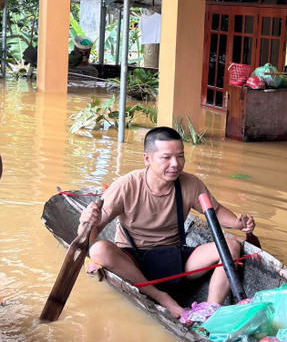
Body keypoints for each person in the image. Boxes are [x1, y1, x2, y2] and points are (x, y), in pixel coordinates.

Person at [79, 126, 255, 319]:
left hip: (173, 258)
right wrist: (86, 222)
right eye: (166, 157)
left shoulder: (191, 184)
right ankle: (161, 297)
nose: (176, 164)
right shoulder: (125, 186)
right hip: (132, 262)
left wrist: (238, 223)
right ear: (147, 159)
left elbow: (216, 211)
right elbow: (88, 237)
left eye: (180, 156)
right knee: (98, 250)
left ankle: (210, 311)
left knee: (231, 246)